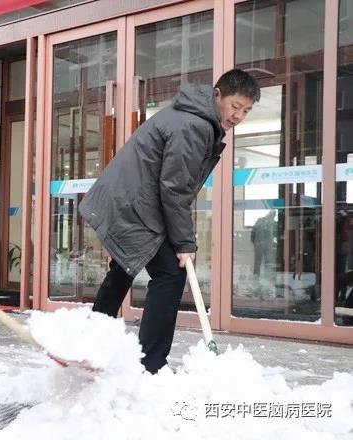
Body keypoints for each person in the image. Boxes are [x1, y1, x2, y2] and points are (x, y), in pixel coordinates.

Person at [79, 69, 260, 374]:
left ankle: (90, 343)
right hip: (133, 204)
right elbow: (174, 189)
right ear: (218, 95)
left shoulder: (192, 116)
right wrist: (184, 243)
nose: (238, 116)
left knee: (124, 266)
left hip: (130, 201)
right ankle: (150, 365)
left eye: (246, 110)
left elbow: (171, 186)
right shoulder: (195, 125)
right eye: (235, 106)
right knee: (170, 274)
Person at [251, 210, 275, 277]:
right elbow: (253, 232)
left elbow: (253, 233)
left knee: (266, 262)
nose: (272, 217)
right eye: (272, 215)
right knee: (261, 262)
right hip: (261, 245)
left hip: (263, 245)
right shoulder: (260, 220)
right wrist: (255, 242)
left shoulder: (272, 222)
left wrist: (255, 242)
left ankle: (263, 276)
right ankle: (257, 276)